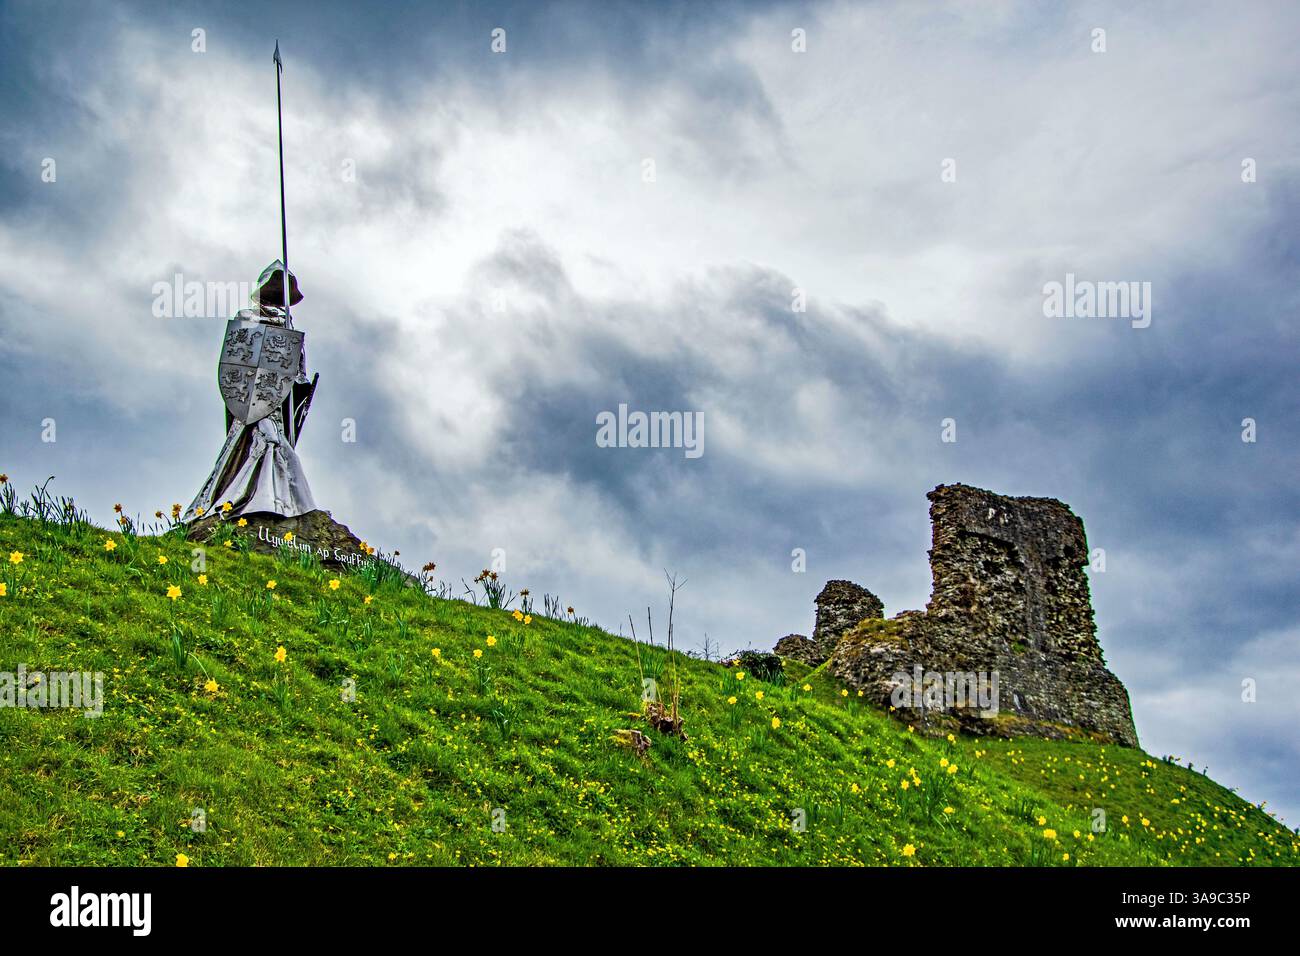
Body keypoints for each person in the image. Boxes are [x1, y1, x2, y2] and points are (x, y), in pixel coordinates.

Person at [184, 260, 318, 522]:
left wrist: (303, 388)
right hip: (253, 403)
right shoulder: (248, 319)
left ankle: (278, 501)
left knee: (277, 444)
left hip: (276, 404)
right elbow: (240, 365)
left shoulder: (288, 326)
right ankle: (244, 497)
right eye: (277, 286)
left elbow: (295, 373)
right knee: (265, 441)